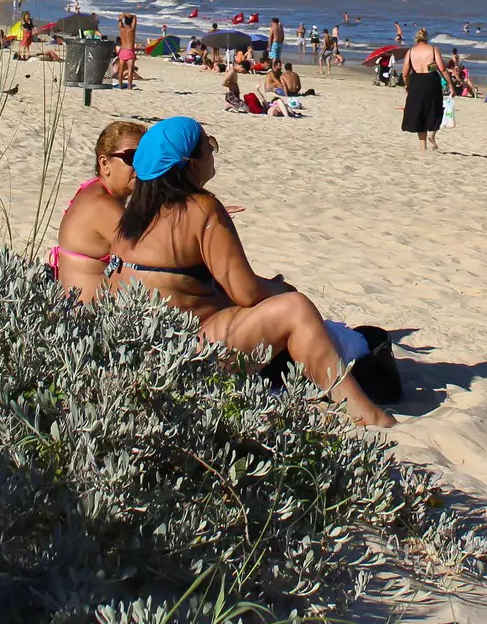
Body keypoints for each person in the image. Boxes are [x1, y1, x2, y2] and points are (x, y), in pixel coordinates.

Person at [105, 118, 393, 427]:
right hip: (183, 355)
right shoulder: (201, 208)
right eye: (209, 145)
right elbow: (246, 292)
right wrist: (282, 290)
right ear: (189, 164)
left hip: (136, 352)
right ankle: (366, 413)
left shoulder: (132, 218)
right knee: (295, 309)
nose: (214, 153)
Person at [51, 119, 146, 301]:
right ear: (104, 164)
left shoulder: (93, 189)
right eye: (132, 158)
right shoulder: (102, 205)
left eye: (146, 157)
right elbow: (156, 255)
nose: (141, 166)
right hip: (87, 319)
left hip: (75, 309)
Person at [400, 28, 447, 150]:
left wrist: (407, 85)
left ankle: (423, 147)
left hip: (416, 81)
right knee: (435, 108)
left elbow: (405, 73)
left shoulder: (410, 52)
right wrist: (450, 85)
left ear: (417, 38)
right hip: (431, 80)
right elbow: (441, 69)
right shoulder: (433, 49)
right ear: (427, 38)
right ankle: (432, 133)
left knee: (419, 112)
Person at [115, 10, 138, 89]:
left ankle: (120, 86)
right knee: (130, 70)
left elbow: (119, 19)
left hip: (122, 51)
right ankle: (129, 87)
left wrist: (123, 15)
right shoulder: (132, 29)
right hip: (129, 51)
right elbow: (135, 17)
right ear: (131, 22)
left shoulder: (121, 29)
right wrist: (130, 16)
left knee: (121, 71)